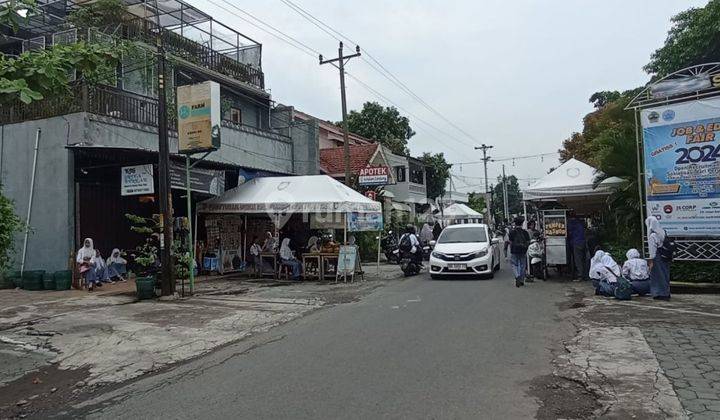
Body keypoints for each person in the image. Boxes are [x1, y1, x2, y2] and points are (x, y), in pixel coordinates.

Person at [646, 216, 671, 300]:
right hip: (665, 256)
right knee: (665, 274)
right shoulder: (662, 232)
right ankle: (666, 292)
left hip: (657, 257)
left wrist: (651, 260)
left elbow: (652, 249)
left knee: (657, 275)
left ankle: (659, 293)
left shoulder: (653, 235)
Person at [508, 217, 530, 287]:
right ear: (522, 223)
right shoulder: (525, 232)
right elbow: (528, 242)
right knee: (523, 265)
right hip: (523, 251)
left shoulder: (512, 232)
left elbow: (510, 242)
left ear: (515, 223)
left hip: (514, 251)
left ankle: (517, 276)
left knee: (514, 264)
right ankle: (521, 280)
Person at [568, 215, 587, 280]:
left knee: (578, 260)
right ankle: (584, 274)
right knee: (582, 259)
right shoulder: (580, 224)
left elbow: (569, 233)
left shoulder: (572, 224)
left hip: (576, 243)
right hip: (582, 243)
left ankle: (580, 275)